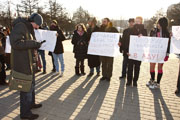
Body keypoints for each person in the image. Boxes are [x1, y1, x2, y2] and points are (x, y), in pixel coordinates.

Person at [10, 13, 44, 119]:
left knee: (31, 85)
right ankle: (25, 113)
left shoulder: (28, 27)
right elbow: (15, 43)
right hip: (23, 63)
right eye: (37, 25)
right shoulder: (20, 26)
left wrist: (36, 44)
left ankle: (31, 104)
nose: (38, 27)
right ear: (32, 21)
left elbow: (28, 42)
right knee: (26, 88)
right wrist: (33, 43)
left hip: (29, 62)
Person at [147, 17, 170, 89]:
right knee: (152, 66)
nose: (158, 25)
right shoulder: (153, 31)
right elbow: (148, 40)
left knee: (160, 67)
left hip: (162, 53)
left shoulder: (167, 33)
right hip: (153, 52)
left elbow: (169, 45)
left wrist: (167, 54)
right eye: (158, 23)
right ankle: (152, 80)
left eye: (160, 23)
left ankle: (158, 83)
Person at [124, 16, 147, 87]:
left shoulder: (144, 30)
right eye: (136, 21)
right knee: (130, 67)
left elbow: (146, 41)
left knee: (137, 68)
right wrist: (126, 51)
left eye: (138, 21)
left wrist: (142, 36)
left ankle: (135, 81)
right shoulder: (131, 30)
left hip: (139, 53)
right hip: (131, 52)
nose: (137, 22)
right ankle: (129, 81)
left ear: (141, 22)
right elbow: (127, 41)